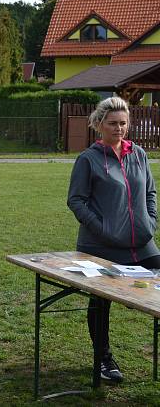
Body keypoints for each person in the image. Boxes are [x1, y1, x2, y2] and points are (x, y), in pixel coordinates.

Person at [67, 96, 160, 384]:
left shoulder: (139, 155)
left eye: (123, 123)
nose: (119, 129)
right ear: (99, 125)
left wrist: (150, 221)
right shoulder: (88, 160)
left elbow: (150, 193)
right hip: (100, 247)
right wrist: (103, 229)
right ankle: (104, 359)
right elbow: (76, 201)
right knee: (100, 303)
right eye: (112, 124)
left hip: (142, 244)